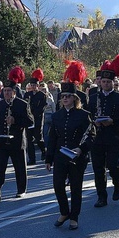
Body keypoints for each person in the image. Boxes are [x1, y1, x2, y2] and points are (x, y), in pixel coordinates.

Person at [45, 82, 96, 230]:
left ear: (74, 98)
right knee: (58, 185)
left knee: (75, 187)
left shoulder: (84, 115)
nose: (65, 99)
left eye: (68, 96)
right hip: (60, 156)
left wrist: (81, 149)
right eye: (63, 96)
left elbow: (91, 136)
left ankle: (74, 217)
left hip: (77, 157)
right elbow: (53, 138)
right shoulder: (56, 116)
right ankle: (64, 212)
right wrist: (48, 159)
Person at [87, 64, 119, 207]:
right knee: (98, 168)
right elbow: (88, 116)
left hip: (113, 137)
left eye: (108, 82)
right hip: (97, 137)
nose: (105, 84)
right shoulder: (93, 98)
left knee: (112, 165)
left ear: (113, 82)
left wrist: (112, 121)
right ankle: (101, 196)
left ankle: (117, 183)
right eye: (103, 81)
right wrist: (94, 122)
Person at [0, 79, 33, 201]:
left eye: (9, 91)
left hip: (16, 141)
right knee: (0, 167)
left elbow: (30, 122)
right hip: (2, 141)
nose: (6, 93)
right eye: (5, 91)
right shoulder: (0, 104)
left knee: (19, 167)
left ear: (14, 92)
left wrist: (15, 120)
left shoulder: (22, 104)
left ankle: (21, 189)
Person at [24, 70, 47, 165]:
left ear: (38, 86)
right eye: (32, 85)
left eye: (35, 85)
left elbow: (42, 107)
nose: (33, 87)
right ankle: (32, 159)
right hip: (29, 119)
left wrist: (34, 113)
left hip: (37, 118)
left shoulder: (42, 95)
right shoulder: (27, 94)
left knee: (38, 137)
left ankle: (44, 151)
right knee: (29, 139)